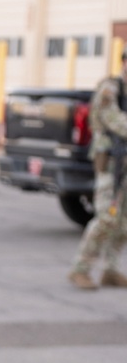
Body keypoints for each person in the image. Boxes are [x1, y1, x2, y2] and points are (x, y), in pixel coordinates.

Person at [68, 51, 127, 290]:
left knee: (124, 222)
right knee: (105, 218)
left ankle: (111, 270)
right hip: (111, 164)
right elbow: (116, 122)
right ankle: (80, 269)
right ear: (124, 62)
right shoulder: (109, 90)